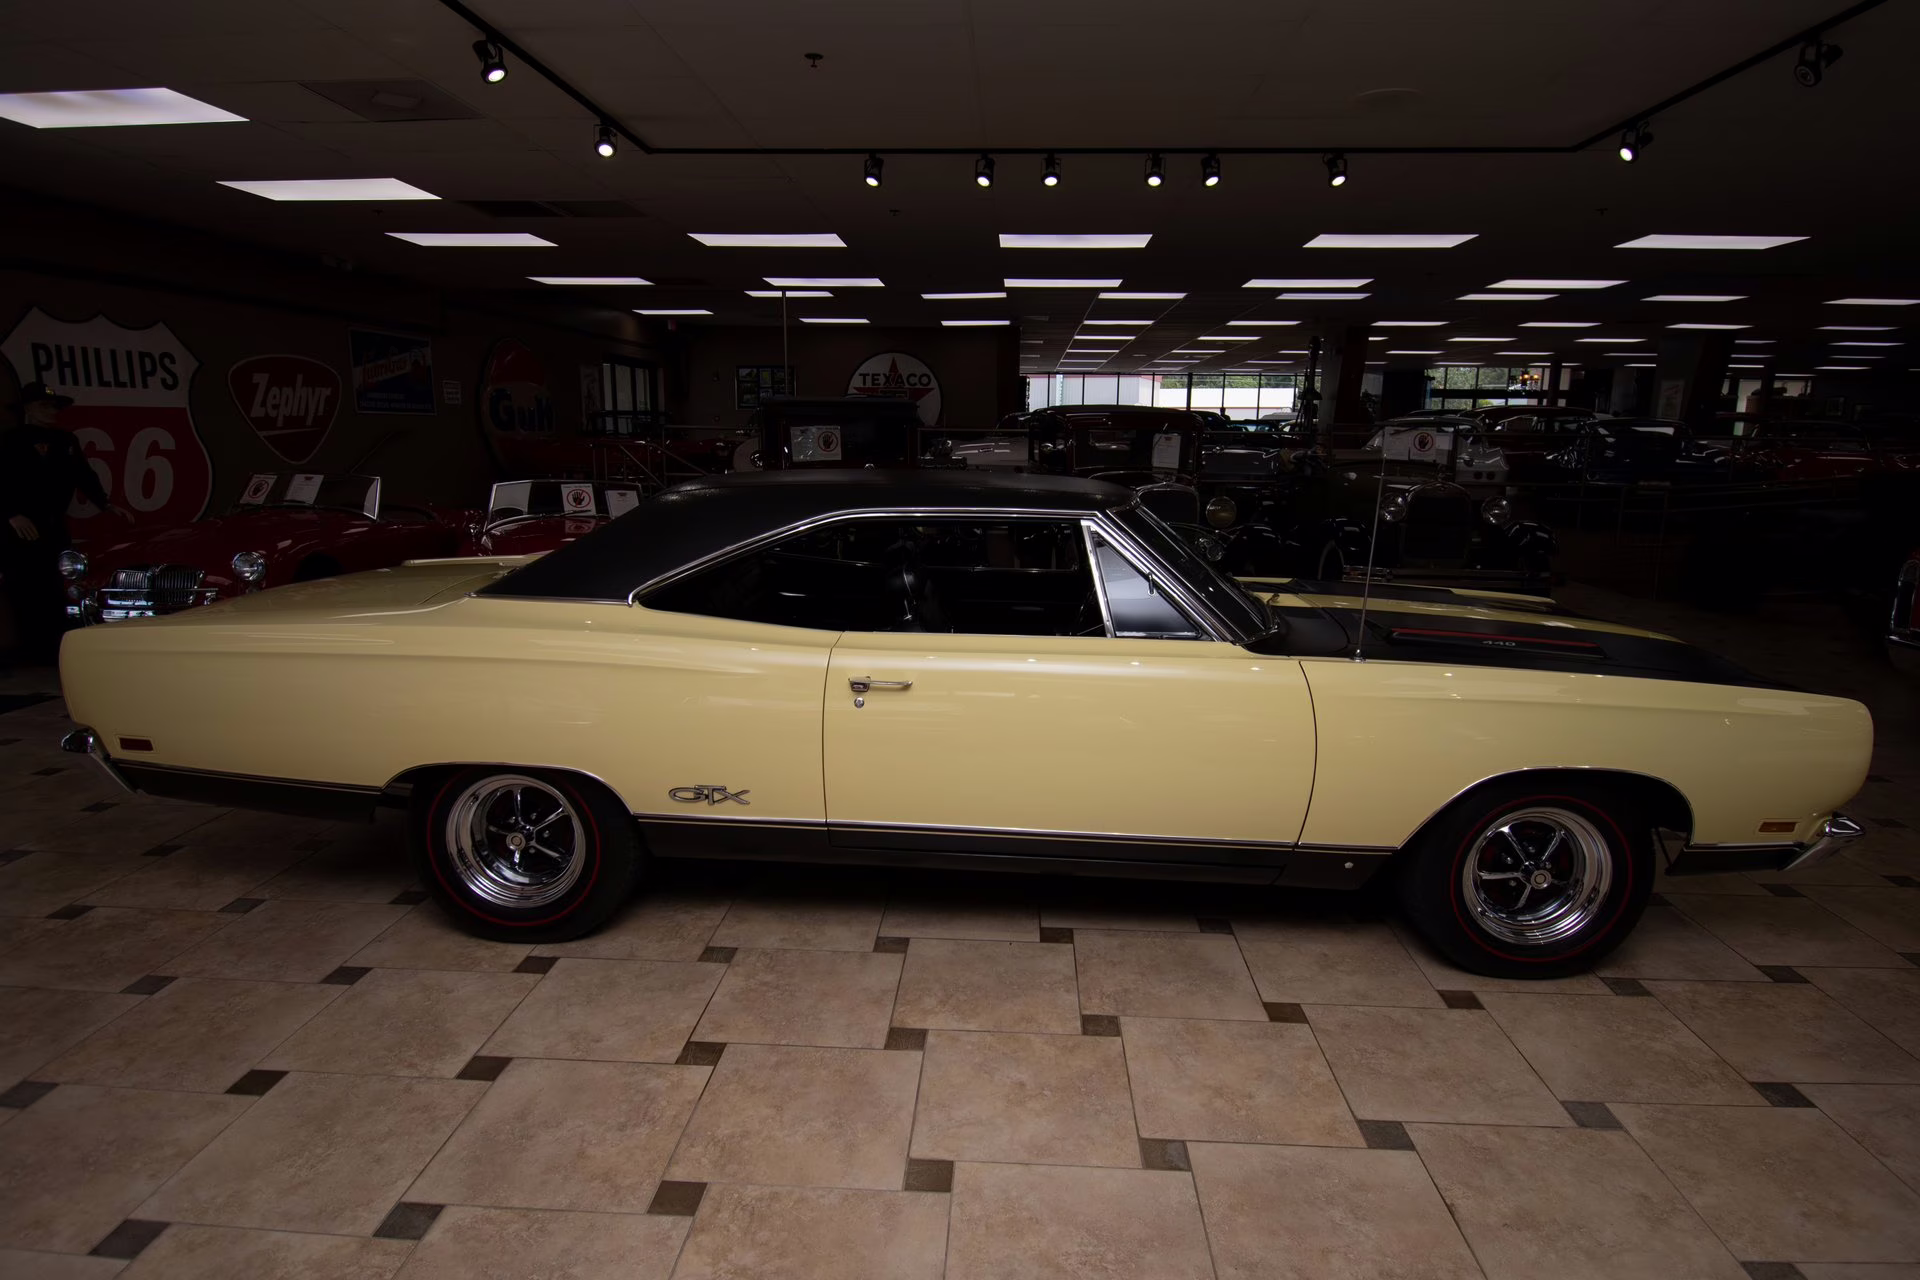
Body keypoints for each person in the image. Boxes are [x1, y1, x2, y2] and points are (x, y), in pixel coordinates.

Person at [1, 382, 130, 664]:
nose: (52, 411)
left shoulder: (65, 441)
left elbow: (84, 474)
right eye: (44, 406)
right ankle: (32, 649)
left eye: (55, 407)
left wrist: (105, 503)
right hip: (20, 527)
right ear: (28, 409)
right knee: (25, 585)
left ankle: (56, 648)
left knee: (57, 583)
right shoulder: (11, 440)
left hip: (53, 525)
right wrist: (11, 514)